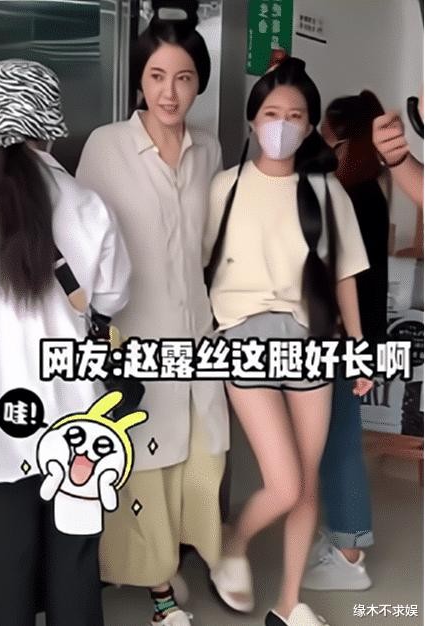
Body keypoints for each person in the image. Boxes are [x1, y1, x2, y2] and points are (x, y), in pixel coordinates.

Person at [203, 55, 373, 626]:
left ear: (310, 124)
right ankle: (234, 541)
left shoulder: (326, 191)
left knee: (306, 482)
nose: (282, 124)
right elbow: (195, 267)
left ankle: (289, 602)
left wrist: (359, 350)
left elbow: (345, 274)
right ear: (253, 120)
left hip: (311, 339)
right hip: (243, 338)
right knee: (285, 482)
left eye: (295, 115)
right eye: (272, 113)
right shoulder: (224, 187)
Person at [0, 59, 131, 626]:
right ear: (52, 127)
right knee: (75, 569)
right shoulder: (88, 205)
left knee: (4, 570)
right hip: (76, 425)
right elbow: (113, 299)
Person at [76, 4, 229, 625]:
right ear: (140, 79)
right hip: (134, 339)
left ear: (199, 83)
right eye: (158, 76)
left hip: (197, 334)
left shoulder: (208, 149)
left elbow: (209, 246)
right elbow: (82, 243)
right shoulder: (107, 145)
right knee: (143, 467)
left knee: (200, 458)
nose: (170, 92)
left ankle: (181, 560)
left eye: (184, 77)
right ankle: (160, 589)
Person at [302, 90, 390, 591]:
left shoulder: (349, 194)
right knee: (339, 439)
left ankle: (348, 550)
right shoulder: (366, 188)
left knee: (338, 442)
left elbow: (342, 276)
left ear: (338, 137)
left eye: (321, 131)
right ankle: (343, 538)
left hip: (342, 337)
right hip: (357, 334)